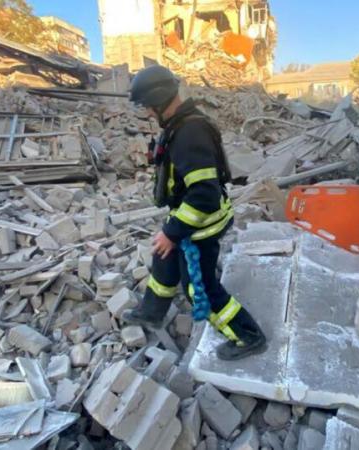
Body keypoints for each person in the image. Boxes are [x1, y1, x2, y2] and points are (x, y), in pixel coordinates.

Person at [121, 65, 267, 361]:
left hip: (202, 226)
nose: (148, 113)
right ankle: (152, 310)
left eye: (149, 106)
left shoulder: (189, 133)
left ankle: (248, 336)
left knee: (198, 288)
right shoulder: (179, 125)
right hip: (187, 216)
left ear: (160, 100)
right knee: (164, 255)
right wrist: (170, 233)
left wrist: (174, 232)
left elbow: (205, 195)